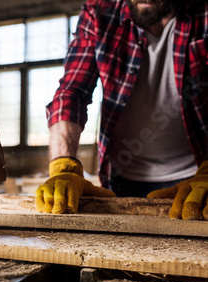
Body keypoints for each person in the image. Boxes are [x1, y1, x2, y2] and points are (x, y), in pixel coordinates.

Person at [36, 0, 208, 221]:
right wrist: (63, 165)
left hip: (197, 179)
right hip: (122, 176)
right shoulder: (99, 10)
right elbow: (72, 92)